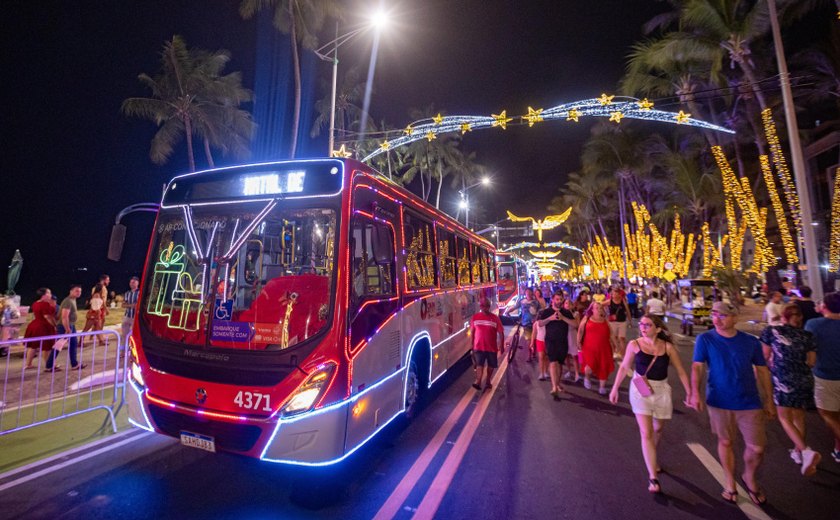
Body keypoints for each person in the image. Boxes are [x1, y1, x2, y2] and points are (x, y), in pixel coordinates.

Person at [690, 301, 775, 506]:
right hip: (719, 400)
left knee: (757, 448)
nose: (717, 319)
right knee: (725, 442)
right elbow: (697, 367)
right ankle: (729, 482)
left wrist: (769, 400)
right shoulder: (705, 339)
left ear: (735, 318)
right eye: (714, 314)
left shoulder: (750, 342)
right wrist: (694, 393)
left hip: (749, 401)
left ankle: (749, 477)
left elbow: (762, 371)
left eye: (723, 315)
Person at [609, 314, 691, 493]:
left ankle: (652, 457)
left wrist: (690, 392)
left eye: (648, 324)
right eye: (641, 324)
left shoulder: (667, 347)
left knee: (657, 429)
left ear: (658, 329)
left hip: (661, 390)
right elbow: (624, 367)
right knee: (646, 433)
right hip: (640, 388)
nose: (643, 327)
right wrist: (615, 388)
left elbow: (681, 371)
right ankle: (653, 477)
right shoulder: (634, 345)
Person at [760, 304, 820, 476]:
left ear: (783, 318)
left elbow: (764, 356)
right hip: (804, 379)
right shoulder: (808, 336)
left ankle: (806, 451)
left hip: (783, 379)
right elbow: (812, 362)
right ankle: (798, 453)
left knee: (784, 418)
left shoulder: (772, 332)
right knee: (798, 416)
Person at [805, 291, 840, 465]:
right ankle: (838, 449)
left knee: (827, 414)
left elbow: (807, 348)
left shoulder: (814, 324)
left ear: (824, 306)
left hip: (826, 376)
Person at [536, 292, 577, 400]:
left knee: (559, 364)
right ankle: (554, 387)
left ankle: (557, 384)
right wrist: (551, 318)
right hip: (550, 341)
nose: (559, 301)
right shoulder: (547, 311)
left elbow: (575, 324)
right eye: (557, 299)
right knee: (553, 362)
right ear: (553, 300)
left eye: (560, 300)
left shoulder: (566, 312)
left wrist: (563, 318)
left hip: (563, 342)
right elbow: (540, 323)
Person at [45, 285, 87, 372]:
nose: (79, 293)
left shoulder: (72, 300)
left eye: (80, 291)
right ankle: (49, 365)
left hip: (70, 325)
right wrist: (67, 329)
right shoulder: (68, 301)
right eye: (76, 291)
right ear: (71, 291)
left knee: (72, 344)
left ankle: (74, 364)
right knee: (59, 346)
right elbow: (64, 316)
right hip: (65, 326)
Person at [578, 301, 614, 395]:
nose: (599, 310)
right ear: (592, 310)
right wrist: (578, 342)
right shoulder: (587, 318)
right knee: (589, 366)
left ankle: (602, 387)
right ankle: (587, 378)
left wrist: (616, 344)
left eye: (600, 308)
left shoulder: (605, 320)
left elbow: (611, 333)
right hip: (589, 348)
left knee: (603, 367)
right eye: (596, 308)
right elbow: (580, 330)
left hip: (604, 348)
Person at [470, 298, 505, 391]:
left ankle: (488, 381)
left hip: (491, 347)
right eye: (481, 305)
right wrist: (471, 346)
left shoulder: (495, 318)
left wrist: (501, 345)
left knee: (491, 365)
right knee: (479, 365)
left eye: (485, 306)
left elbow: (501, 333)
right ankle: (478, 381)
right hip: (478, 347)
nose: (482, 307)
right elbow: (472, 332)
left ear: (489, 307)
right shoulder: (475, 317)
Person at [23, 288, 56, 369]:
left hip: (34, 325)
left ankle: (28, 364)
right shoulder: (45, 304)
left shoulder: (35, 303)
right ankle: (49, 365)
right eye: (49, 293)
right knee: (46, 347)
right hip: (43, 326)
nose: (50, 295)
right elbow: (47, 317)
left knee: (33, 346)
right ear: (43, 295)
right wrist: (54, 325)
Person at [607, 288, 632, 359]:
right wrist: (604, 314)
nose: (612, 295)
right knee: (613, 339)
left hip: (622, 322)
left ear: (618, 294)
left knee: (622, 339)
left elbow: (627, 311)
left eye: (614, 293)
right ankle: (614, 352)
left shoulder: (623, 301)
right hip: (612, 322)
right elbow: (600, 305)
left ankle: (622, 354)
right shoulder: (610, 301)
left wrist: (630, 321)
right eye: (612, 293)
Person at [562, 298, 581, 382]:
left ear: (572, 305)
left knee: (574, 356)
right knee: (566, 356)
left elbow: (578, 325)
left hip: (572, 335)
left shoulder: (576, 314)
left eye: (569, 303)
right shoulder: (561, 314)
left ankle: (577, 373)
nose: (568, 305)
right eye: (566, 303)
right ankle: (569, 371)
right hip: (564, 335)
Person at [519, 288, 537, 361]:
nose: (528, 294)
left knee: (534, 340)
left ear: (532, 293)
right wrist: (508, 311)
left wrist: (536, 318)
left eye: (530, 292)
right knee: (528, 341)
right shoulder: (522, 301)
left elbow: (540, 311)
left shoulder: (536, 302)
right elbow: (515, 307)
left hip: (534, 324)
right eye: (527, 292)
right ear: (525, 293)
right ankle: (529, 355)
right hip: (526, 324)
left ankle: (534, 352)